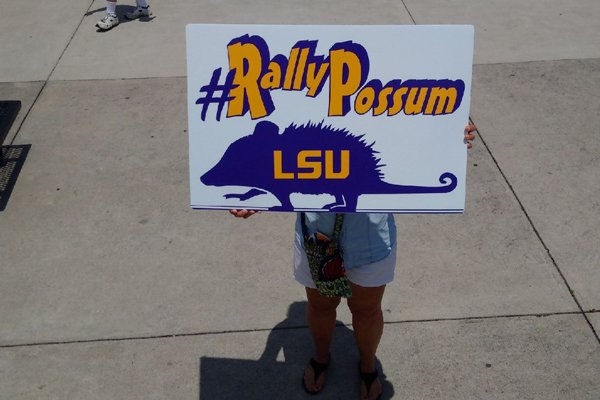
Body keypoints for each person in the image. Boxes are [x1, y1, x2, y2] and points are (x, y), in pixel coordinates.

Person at [230, 123, 476, 400]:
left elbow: (418, 119)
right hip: (316, 231)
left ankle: (368, 366)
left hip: (371, 235)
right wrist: (258, 193)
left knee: (367, 309)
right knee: (320, 304)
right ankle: (321, 357)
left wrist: (449, 135)